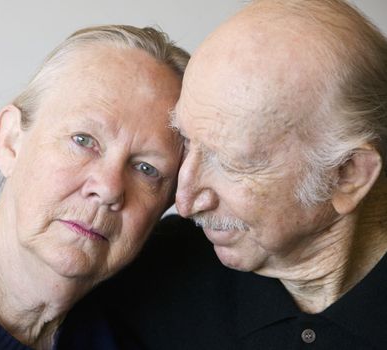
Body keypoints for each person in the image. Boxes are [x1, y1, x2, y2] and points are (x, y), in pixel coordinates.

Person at [59, 1, 387, 349]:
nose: (183, 202)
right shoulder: (150, 274)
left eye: (230, 163)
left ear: (348, 174)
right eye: (186, 141)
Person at [0, 25, 189, 349]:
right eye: (83, 140)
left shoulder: (139, 332)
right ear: (11, 141)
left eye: (147, 169)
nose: (109, 188)